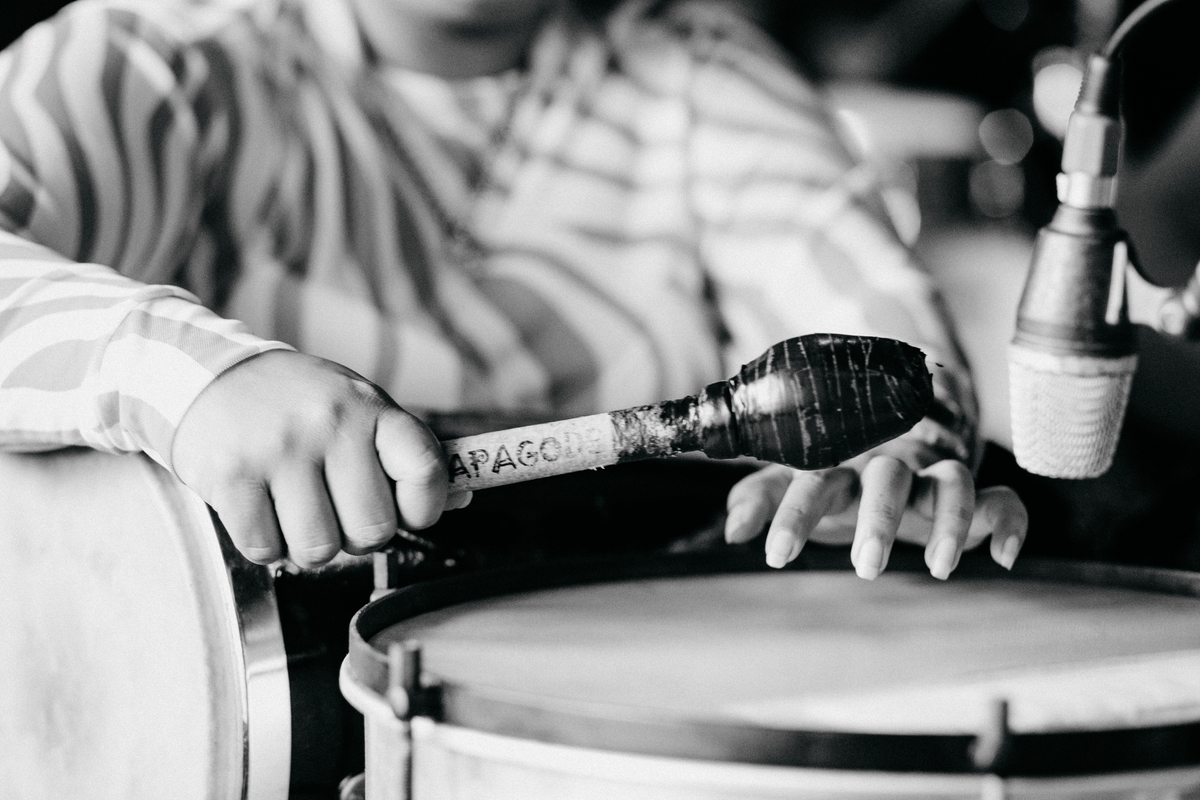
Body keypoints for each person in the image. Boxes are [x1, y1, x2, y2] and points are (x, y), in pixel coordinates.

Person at [0, 0, 1026, 580]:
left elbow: (890, 340)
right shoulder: (167, 53)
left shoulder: (700, 72)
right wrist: (194, 377)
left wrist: (905, 452)